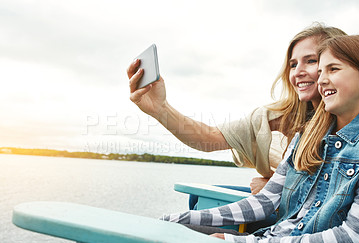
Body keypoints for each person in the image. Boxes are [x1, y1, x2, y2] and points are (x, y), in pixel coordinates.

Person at [161, 34, 359, 243]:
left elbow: (353, 239)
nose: (321, 80)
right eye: (321, 72)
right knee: (165, 232)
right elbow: (264, 202)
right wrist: (181, 219)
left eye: (333, 69)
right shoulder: (307, 136)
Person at [127, 23, 347, 206]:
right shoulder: (275, 116)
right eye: (292, 64)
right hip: (284, 202)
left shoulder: (354, 122)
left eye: (311, 60)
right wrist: (160, 109)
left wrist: (274, 189)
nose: (298, 71)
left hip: (301, 218)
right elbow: (209, 137)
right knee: (197, 198)